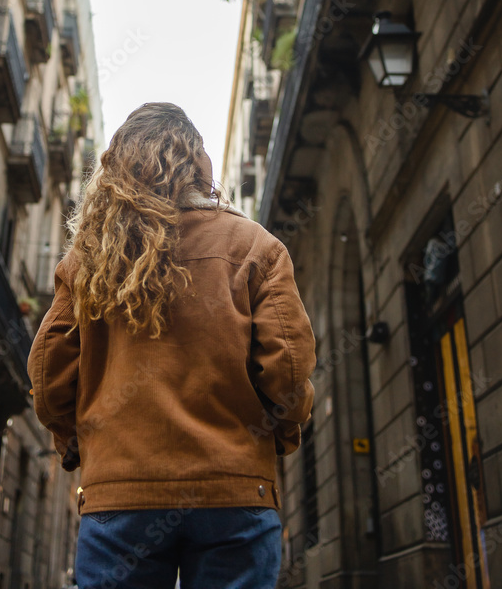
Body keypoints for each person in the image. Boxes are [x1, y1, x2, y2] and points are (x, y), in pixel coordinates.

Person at [28, 102, 316, 589]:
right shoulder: (255, 247)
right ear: (199, 167)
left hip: (119, 497)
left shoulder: (88, 260)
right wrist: (279, 434)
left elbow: (47, 373)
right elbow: (288, 369)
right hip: (235, 491)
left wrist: (80, 444)